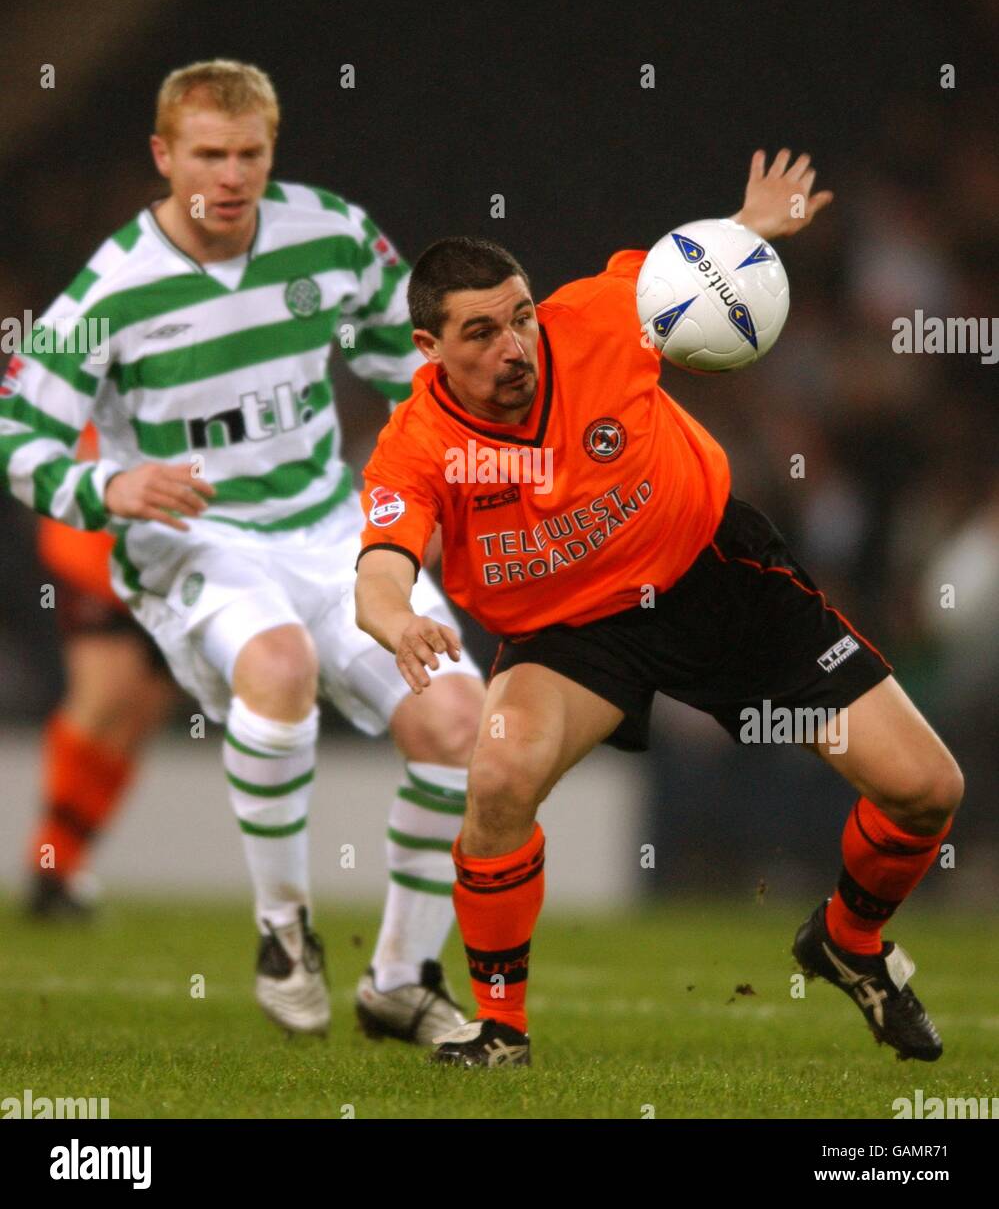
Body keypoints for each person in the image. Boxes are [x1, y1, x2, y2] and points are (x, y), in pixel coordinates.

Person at [354, 149, 964, 1068]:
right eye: (479, 333)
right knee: (498, 777)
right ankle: (501, 1030)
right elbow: (379, 569)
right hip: (570, 634)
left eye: (519, 316)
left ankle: (848, 941)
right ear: (426, 348)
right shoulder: (417, 445)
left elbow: (697, 272)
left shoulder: (601, 316)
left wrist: (751, 226)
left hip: (715, 577)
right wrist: (398, 621)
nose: (513, 346)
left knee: (927, 792)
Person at [0, 59, 487, 1045]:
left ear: (273, 150)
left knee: (461, 722)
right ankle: (282, 929)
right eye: (208, 155)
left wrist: (440, 466)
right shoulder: (114, 288)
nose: (229, 177)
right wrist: (107, 486)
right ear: (163, 155)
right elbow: (19, 432)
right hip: (196, 540)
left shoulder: (335, 234)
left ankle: (399, 977)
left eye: (250, 155)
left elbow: (407, 366)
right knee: (279, 666)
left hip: (329, 525)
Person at [27, 425, 177, 919]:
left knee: (141, 713)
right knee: (104, 694)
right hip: (94, 553)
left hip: (171, 560)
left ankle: (65, 867)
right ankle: (48, 864)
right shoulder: (96, 355)